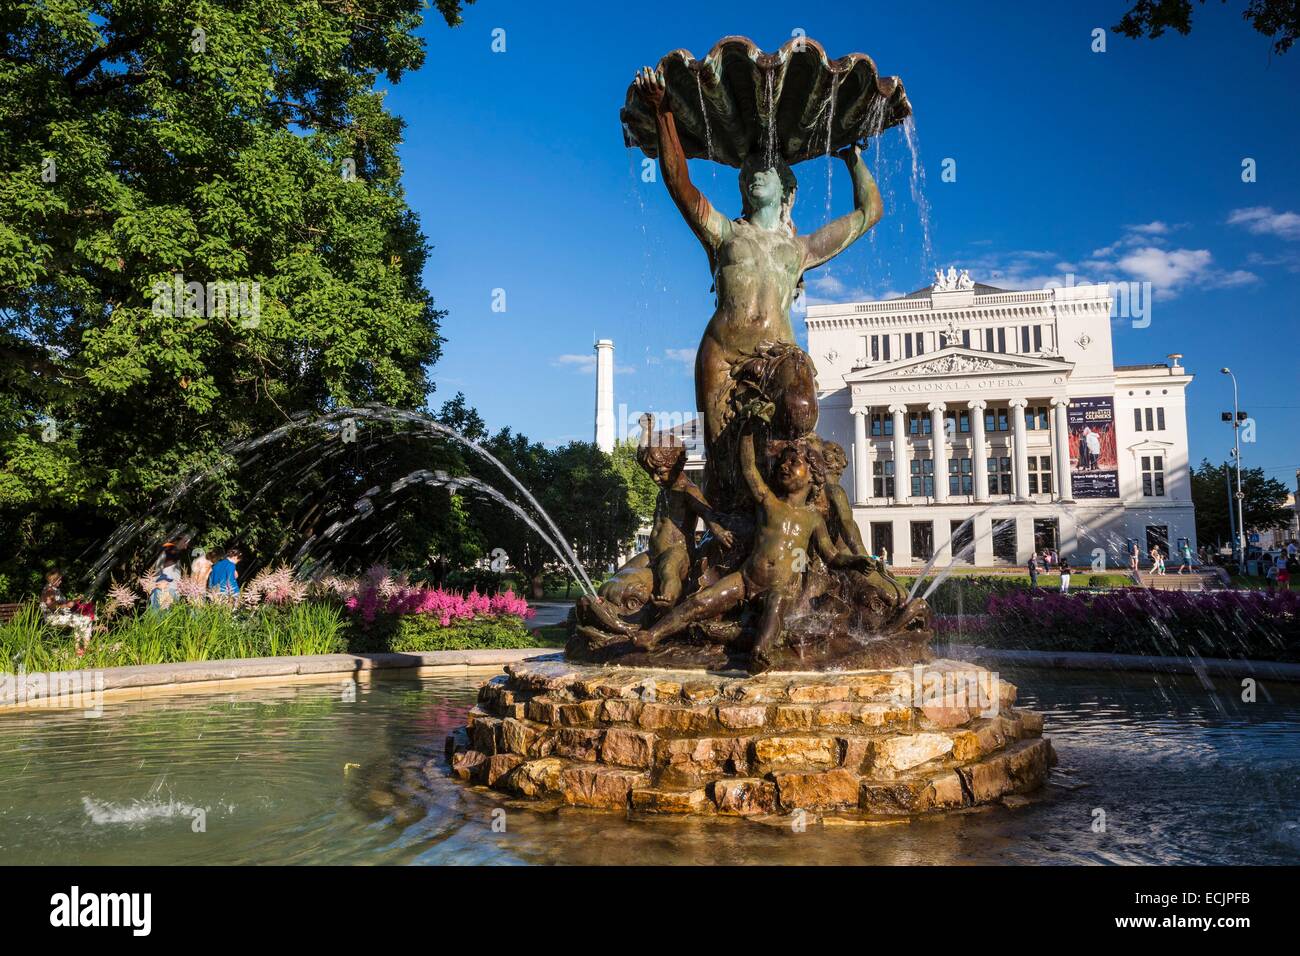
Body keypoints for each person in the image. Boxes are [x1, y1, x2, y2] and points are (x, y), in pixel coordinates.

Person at [632, 416, 875, 672]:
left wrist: (856, 561)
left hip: (779, 587)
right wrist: (747, 431)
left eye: (794, 462)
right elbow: (749, 468)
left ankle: (761, 652)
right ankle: (653, 635)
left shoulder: (814, 519)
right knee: (702, 601)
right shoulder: (769, 501)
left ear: (813, 476)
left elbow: (831, 555)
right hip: (745, 578)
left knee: (776, 606)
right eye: (783, 460)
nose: (784, 465)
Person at [41, 569, 93, 649]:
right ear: (53, 580)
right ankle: (81, 647)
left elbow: (62, 603)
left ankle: (83, 647)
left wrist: (76, 600)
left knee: (87, 618)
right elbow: (52, 607)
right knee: (83, 620)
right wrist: (67, 605)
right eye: (59, 580)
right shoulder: (49, 591)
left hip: (63, 615)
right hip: (54, 618)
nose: (61, 581)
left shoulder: (55, 590)